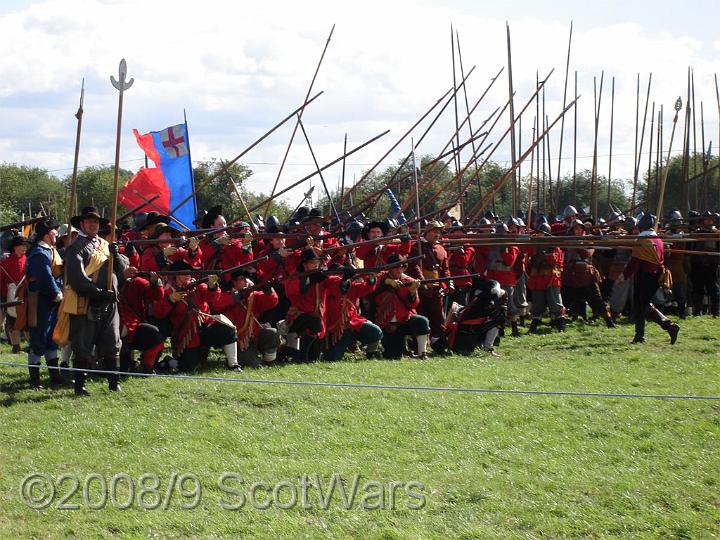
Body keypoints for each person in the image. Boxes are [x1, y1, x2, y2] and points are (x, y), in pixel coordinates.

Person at [64, 207, 129, 395]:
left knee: (112, 343)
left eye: (96, 222)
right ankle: (80, 386)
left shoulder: (105, 244)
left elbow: (121, 270)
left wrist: (115, 254)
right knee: (82, 345)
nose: (93, 224)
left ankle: (114, 383)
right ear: (82, 224)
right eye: (90, 221)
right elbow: (77, 278)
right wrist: (98, 292)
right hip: (87, 302)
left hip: (109, 303)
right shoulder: (75, 248)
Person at [618, 213, 679, 344]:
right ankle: (639, 336)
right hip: (653, 275)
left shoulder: (643, 239)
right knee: (640, 305)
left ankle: (669, 326)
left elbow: (635, 262)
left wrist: (624, 275)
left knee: (643, 304)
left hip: (645, 275)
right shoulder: (657, 239)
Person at [25, 219, 66, 388]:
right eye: (54, 230)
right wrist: (55, 292)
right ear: (47, 234)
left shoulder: (50, 250)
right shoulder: (39, 252)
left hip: (51, 301)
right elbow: (44, 276)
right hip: (41, 300)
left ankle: (55, 377)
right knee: (38, 338)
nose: (57, 233)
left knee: (51, 339)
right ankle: (35, 381)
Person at [212, 268, 280, 368]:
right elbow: (216, 304)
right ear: (234, 282)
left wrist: (269, 291)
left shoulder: (254, 295)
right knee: (250, 363)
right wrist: (235, 298)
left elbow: (272, 302)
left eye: (246, 278)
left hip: (255, 335)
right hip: (239, 339)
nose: (246, 281)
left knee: (272, 333)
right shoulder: (227, 295)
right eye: (242, 278)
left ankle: (269, 361)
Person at [373, 254, 430, 360]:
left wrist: (412, 292)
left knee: (422, 321)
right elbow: (371, 282)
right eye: (397, 266)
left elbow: (413, 305)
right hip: (384, 322)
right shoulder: (381, 277)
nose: (400, 269)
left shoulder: (409, 281)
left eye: (403, 266)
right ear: (390, 268)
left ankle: (422, 353)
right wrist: (387, 282)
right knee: (393, 356)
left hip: (403, 321)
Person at [0, 234, 28, 354]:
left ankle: (32, 346)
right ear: (16, 247)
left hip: (26, 296)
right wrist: (6, 295)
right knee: (12, 321)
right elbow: (1, 282)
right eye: (23, 246)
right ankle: (16, 346)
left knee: (27, 320)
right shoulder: (5, 263)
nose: (25, 248)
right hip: (11, 295)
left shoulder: (28, 260)